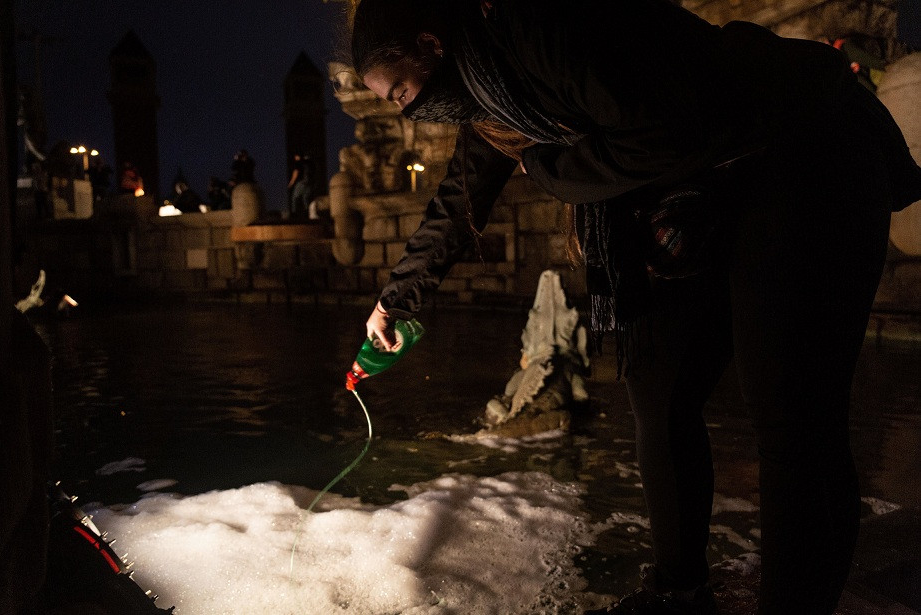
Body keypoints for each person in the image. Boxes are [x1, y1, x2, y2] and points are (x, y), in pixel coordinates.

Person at [351, 0, 921, 613]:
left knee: (789, 407)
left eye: (400, 91)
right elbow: (459, 198)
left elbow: (660, 131)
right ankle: (678, 590)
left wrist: (552, 169)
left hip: (800, 147)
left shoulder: (540, 25)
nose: (403, 108)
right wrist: (395, 299)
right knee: (659, 389)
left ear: (432, 45)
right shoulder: (493, 94)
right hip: (697, 193)